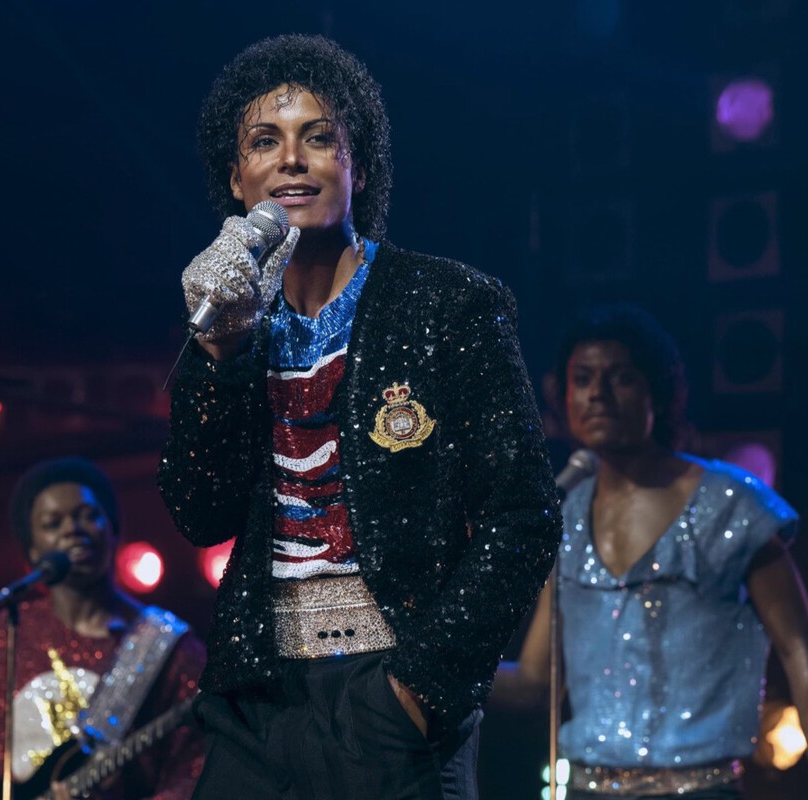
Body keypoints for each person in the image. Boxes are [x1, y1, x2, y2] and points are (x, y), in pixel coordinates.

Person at [156, 34, 561, 800]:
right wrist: (218, 353)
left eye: (318, 139)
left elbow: (523, 514)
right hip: (259, 702)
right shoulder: (235, 324)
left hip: (390, 694)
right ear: (236, 179)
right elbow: (199, 513)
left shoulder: (446, 305)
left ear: (359, 166)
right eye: (264, 142)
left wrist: (421, 688)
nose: (292, 160)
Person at [494, 304, 808, 800]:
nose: (598, 394)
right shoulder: (566, 514)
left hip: (700, 789)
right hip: (588, 790)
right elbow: (536, 682)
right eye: (583, 379)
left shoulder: (729, 504)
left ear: (656, 393)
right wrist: (430, 661)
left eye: (621, 377)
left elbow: (799, 649)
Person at [0, 457, 206, 800]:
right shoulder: (1, 633)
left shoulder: (168, 645)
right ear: (32, 549)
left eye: (87, 515)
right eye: (53, 523)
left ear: (113, 529)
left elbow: (195, 767)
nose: (72, 529)